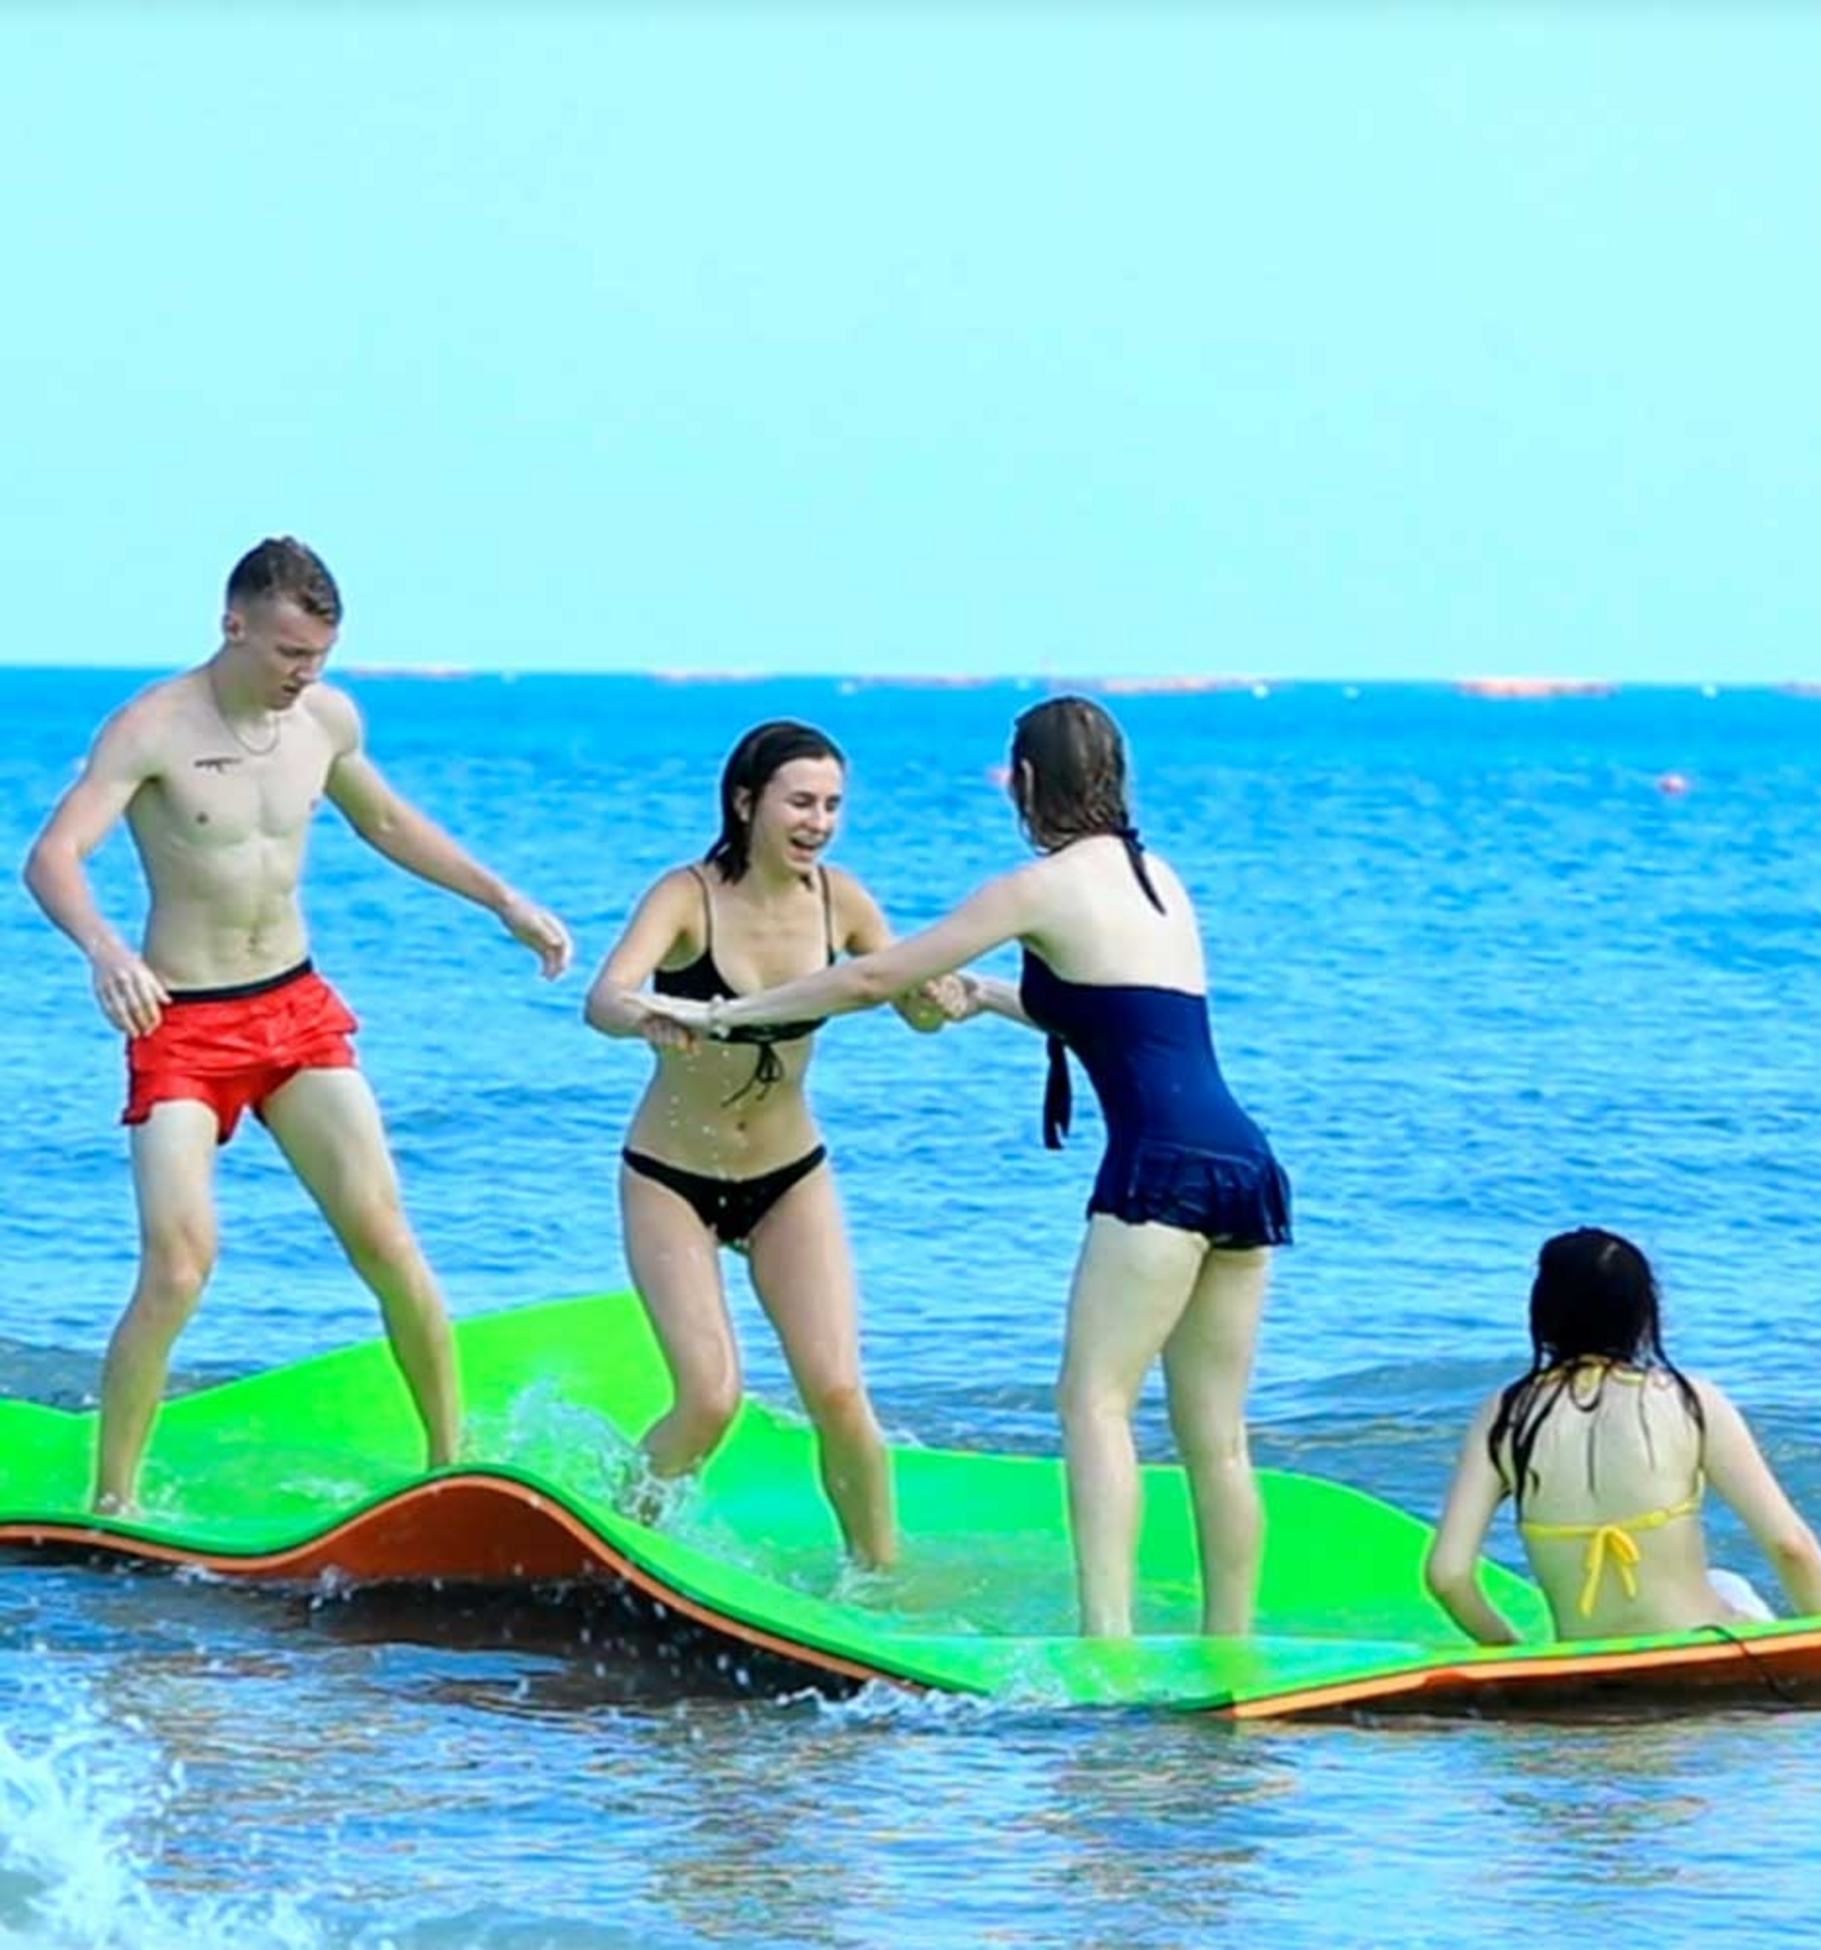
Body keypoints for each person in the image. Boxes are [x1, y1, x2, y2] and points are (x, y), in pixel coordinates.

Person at [642, 695, 1291, 1638]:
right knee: (1216, 1440)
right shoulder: (1158, 880)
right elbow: (1132, 1025)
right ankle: (1232, 1647)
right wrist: (988, 996)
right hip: (1244, 1164)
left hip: (1160, 1174)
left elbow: (873, 977)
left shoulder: (1040, 886)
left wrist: (727, 1015)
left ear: (1025, 783)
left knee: (1095, 1404)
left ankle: (1104, 1648)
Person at [20, 537, 572, 1514]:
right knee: (181, 1265)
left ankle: (452, 1467)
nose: (301, 674)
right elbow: (53, 857)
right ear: (233, 625)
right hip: (181, 1024)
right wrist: (107, 950)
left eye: (316, 656)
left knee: (386, 1238)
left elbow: (391, 825)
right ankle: (115, 1501)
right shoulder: (149, 727)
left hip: (294, 1009)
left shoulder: (325, 718)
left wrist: (504, 901)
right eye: (285, 654)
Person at [582, 720, 964, 1570]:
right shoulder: (687, 896)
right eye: (800, 801)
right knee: (712, 1398)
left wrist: (942, 996)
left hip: (789, 1177)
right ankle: (621, 1544)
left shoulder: (842, 901)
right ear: (747, 801)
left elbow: (913, 1005)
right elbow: (602, 998)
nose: (818, 821)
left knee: (837, 1391)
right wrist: (646, 1012)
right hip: (670, 1178)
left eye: (832, 805)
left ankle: (877, 1580)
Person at [1424, 1227, 1821, 1644]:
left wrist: (1513, 1653)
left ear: (1543, 1311)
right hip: (1708, 1643)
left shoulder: (1505, 1414)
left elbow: (1448, 1576)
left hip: (1587, 1661)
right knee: (1728, 1584)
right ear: (1643, 1313)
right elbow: (1791, 1546)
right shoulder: (1690, 1400)